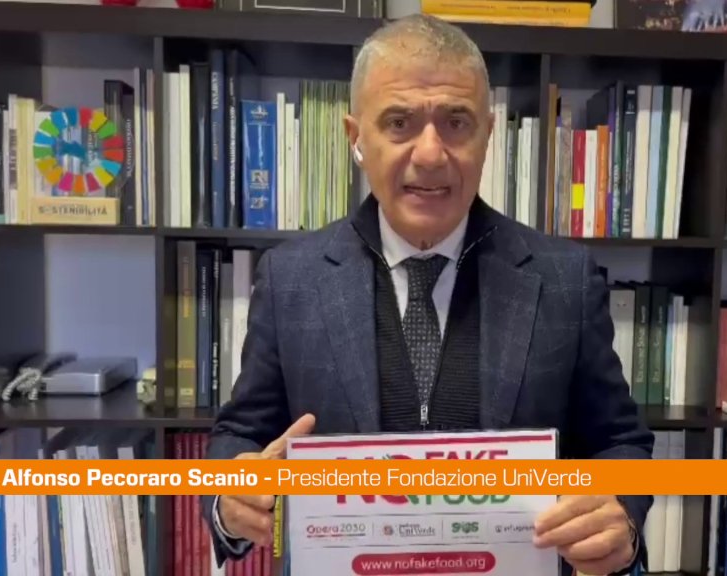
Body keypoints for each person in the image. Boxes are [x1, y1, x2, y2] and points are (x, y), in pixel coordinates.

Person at [202, 13, 655, 576]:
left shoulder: (565, 278)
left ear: (488, 134)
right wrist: (230, 496)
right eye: (399, 122)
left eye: (457, 122)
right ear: (355, 137)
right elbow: (240, 433)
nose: (431, 153)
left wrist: (621, 515)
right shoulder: (290, 279)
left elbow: (619, 441)